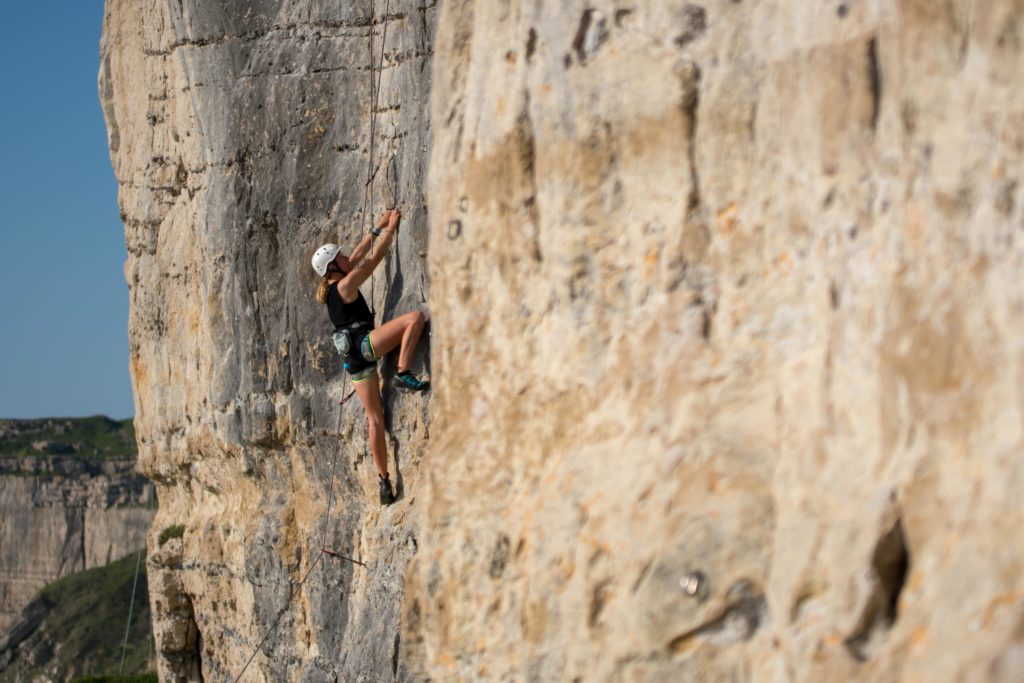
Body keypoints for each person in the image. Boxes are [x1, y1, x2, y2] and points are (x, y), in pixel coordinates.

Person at [311, 208, 429, 505]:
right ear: (334, 268)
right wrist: (391, 229)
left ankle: (384, 481)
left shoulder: (332, 288)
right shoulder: (346, 285)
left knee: (374, 419)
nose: (345, 257)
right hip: (366, 344)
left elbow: (354, 259)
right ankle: (403, 370)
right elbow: (372, 260)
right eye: (340, 257)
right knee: (414, 318)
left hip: (353, 360)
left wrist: (376, 228)